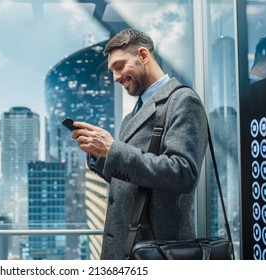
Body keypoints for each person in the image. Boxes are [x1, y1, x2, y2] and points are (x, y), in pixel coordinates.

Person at [70, 28, 208, 260]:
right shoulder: (131, 115)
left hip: (157, 248)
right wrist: (100, 154)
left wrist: (113, 149)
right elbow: (128, 177)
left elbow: (183, 173)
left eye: (120, 66)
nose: (115, 78)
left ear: (143, 55)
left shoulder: (183, 101)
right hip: (128, 247)